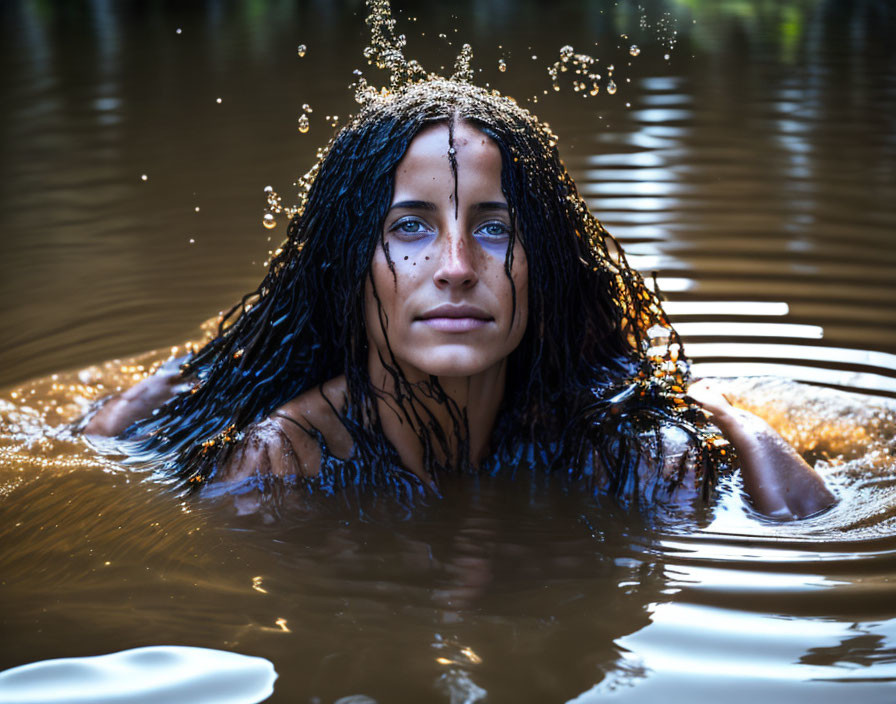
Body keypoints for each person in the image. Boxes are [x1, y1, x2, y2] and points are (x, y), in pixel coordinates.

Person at [83, 78, 834, 520]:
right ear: (350, 267)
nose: (456, 265)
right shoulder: (279, 460)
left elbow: (806, 527)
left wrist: (729, 418)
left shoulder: (615, 442)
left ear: (546, 269)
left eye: (496, 228)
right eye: (410, 226)